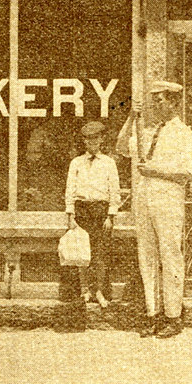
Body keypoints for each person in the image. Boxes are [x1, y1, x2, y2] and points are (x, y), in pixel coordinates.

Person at [116, 81, 192, 339]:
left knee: (170, 254)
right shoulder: (148, 132)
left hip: (168, 201)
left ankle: (172, 316)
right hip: (144, 200)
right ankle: (152, 313)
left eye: (160, 101)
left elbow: (188, 174)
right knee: (147, 255)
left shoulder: (184, 134)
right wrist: (131, 118)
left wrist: (156, 172)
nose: (155, 106)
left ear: (174, 103)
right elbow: (121, 148)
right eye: (153, 101)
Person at [65, 121, 121, 309]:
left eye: (95, 138)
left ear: (102, 139)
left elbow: (115, 191)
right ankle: (84, 290)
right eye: (88, 139)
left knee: (100, 254)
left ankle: (99, 290)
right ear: (84, 141)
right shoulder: (76, 163)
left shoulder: (108, 163)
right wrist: (70, 214)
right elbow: (70, 189)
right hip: (82, 210)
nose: (92, 142)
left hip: (100, 211)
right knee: (82, 253)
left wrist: (110, 216)